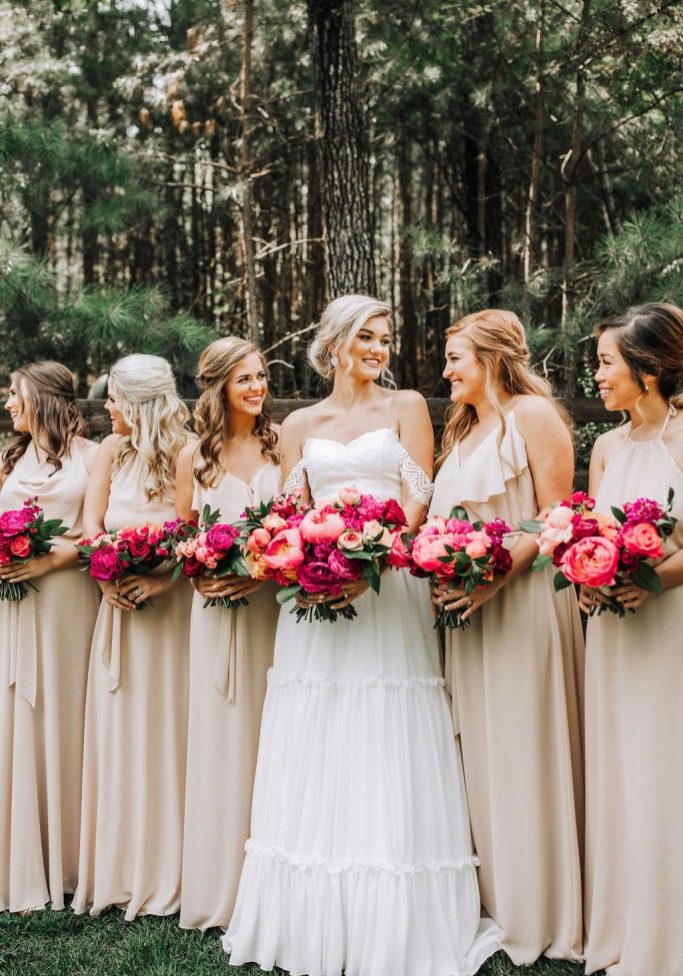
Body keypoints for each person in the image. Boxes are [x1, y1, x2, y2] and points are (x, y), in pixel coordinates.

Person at [222, 295, 500, 976]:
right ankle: (311, 912)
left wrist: (370, 553)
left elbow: (420, 496)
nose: (380, 349)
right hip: (313, 597)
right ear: (337, 342)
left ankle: (397, 916)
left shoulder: (404, 407)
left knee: (385, 727)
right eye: (368, 337)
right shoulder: (298, 424)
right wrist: (309, 561)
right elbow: (289, 511)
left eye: (386, 338)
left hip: (388, 587)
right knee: (317, 727)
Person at [431, 309, 585, 964]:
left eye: (455, 358)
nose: (445, 372)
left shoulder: (533, 416)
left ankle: (543, 908)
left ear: (492, 358)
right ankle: (495, 898)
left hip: (521, 605)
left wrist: (494, 579)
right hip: (470, 611)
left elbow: (556, 517)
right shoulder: (463, 429)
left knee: (525, 746)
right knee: (482, 749)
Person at [580, 303, 683, 976]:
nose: (596, 376)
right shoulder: (606, 447)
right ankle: (625, 927)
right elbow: (587, 535)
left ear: (645, 372)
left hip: (669, 629)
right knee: (621, 767)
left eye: (605, 363)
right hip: (613, 634)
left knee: (665, 768)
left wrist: (655, 582)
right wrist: (587, 575)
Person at [73, 354, 193, 920]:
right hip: (119, 610)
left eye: (115, 400)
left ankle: (175, 865)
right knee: (123, 732)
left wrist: (162, 579)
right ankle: (122, 868)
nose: (108, 410)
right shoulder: (109, 452)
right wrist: (107, 575)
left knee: (172, 732)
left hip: (173, 614)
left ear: (140, 404)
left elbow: (195, 532)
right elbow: (91, 526)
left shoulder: (187, 451)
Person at [176, 337, 280, 931]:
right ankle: (219, 883)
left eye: (261, 376)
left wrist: (263, 572)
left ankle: (268, 878)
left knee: (272, 733)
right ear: (218, 386)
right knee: (220, 735)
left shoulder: (279, 444)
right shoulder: (196, 456)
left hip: (271, 607)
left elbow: (295, 522)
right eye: (245, 379)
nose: (257, 387)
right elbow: (184, 534)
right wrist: (202, 578)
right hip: (215, 610)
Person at [0, 362, 99, 913]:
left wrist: (52, 560)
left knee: (67, 718)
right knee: (17, 719)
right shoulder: (9, 461)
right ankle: (20, 859)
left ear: (39, 397)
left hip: (66, 606)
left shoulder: (92, 458)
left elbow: (100, 534)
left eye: (14, 394)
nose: (8, 403)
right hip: (13, 608)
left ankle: (72, 861)